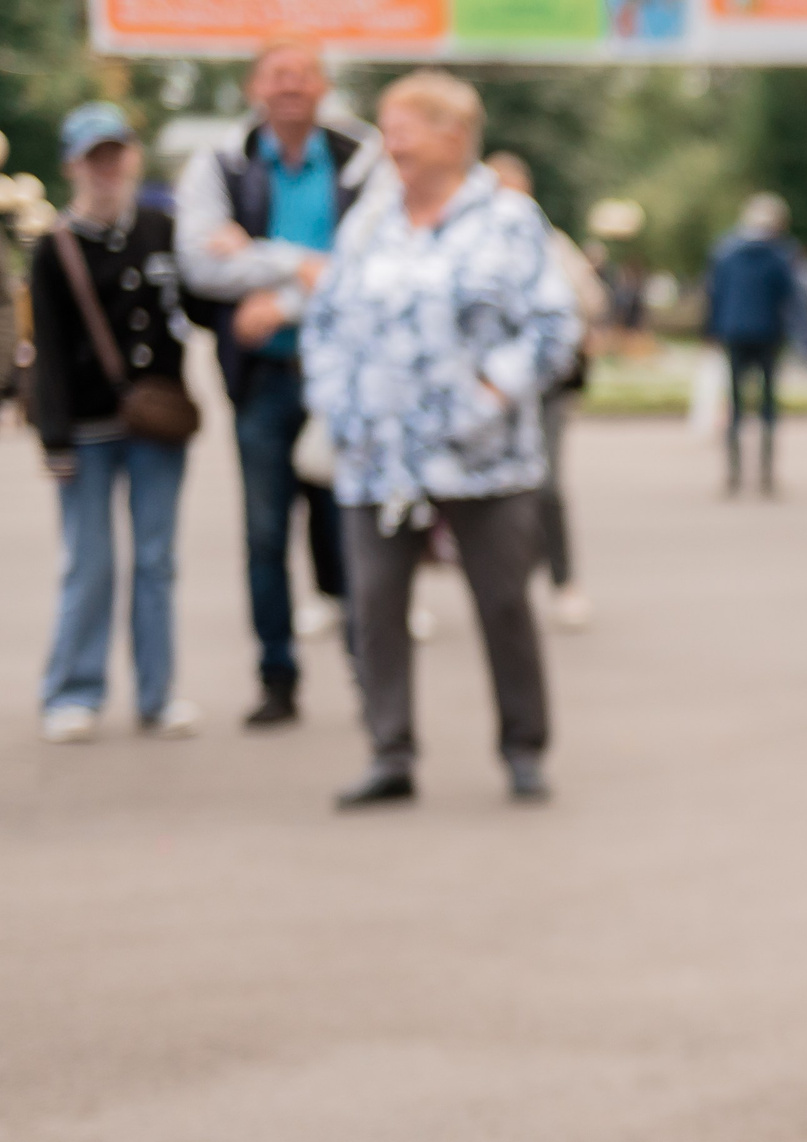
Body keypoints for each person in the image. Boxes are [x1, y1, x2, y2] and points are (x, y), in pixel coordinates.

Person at [302, 71, 579, 809]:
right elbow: (325, 320)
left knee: (503, 605)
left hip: (483, 455)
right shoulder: (368, 221)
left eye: (407, 124)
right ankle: (388, 750)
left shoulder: (509, 219)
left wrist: (490, 394)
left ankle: (523, 748)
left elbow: (554, 326)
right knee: (374, 608)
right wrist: (336, 402)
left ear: (455, 135)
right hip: (377, 454)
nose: (390, 139)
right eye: (387, 124)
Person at [176, 38, 381, 728]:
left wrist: (278, 285)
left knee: (347, 529)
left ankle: (370, 677)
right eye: (276, 75)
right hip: (262, 379)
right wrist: (304, 264)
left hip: (339, 376)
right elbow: (201, 266)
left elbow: (373, 271)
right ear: (253, 88)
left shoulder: (363, 159)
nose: (289, 86)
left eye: (302, 75)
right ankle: (277, 677)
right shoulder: (221, 164)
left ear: (324, 87)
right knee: (265, 534)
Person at [28, 103, 199, 743]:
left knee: (156, 560)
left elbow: (198, 304)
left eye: (116, 152)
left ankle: (157, 694)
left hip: (158, 422)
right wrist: (55, 438)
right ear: (75, 165)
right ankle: (74, 690)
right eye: (94, 156)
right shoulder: (56, 246)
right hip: (89, 425)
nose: (108, 167)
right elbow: (45, 347)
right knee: (90, 561)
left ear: (131, 156)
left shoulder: (161, 227)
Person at [486, 151, 606, 628]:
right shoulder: (464, 243)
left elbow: (590, 301)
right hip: (489, 391)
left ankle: (562, 582)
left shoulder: (551, 244)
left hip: (544, 388)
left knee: (547, 485)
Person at [705, 193, 802, 495]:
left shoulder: (724, 252)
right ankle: (766, 475)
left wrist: (711, 332)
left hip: (733, 332)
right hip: (768, 335)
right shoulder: (780, 254)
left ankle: (733, 475)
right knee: (768, 405)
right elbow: (790, 298)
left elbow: (714, 295)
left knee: (735, 404)